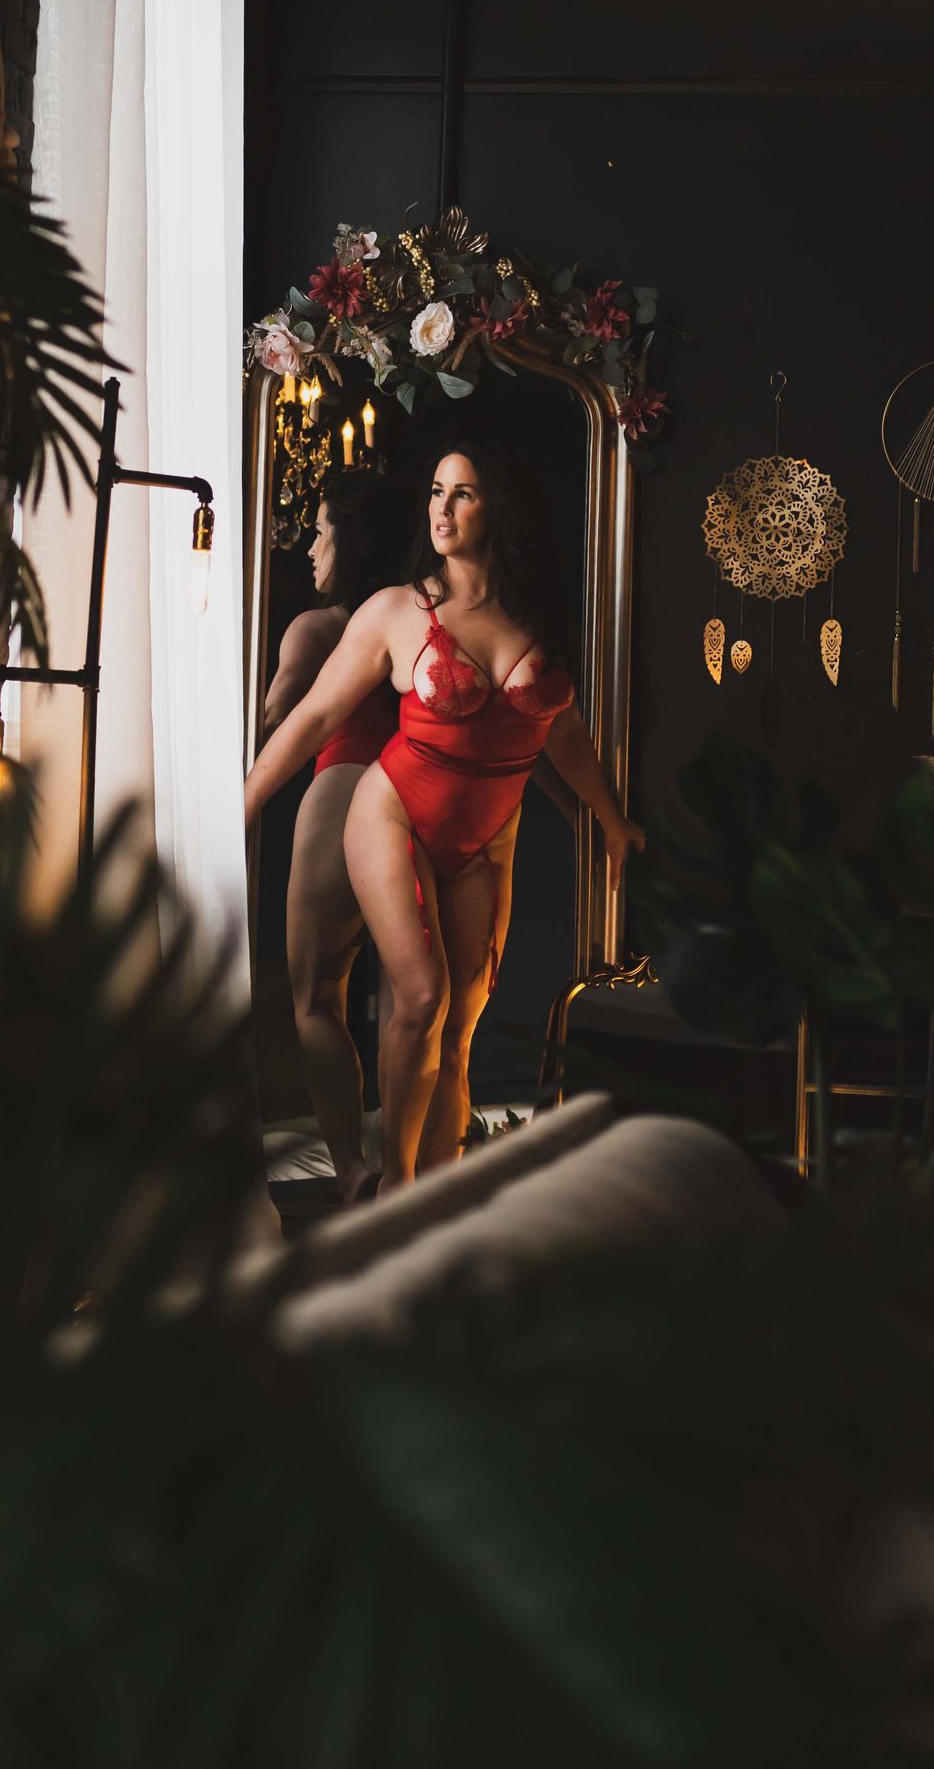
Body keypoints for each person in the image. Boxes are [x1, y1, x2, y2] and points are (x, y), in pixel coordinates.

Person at [245, 441, 642, 1193]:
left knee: (459, 1032)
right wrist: (245, 800)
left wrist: (609, 820)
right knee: (421, 995)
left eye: (462, 493)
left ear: (500, 509)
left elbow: (561, 732)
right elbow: (314, 715)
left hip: (487, 841)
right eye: (435, 491)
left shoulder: (539, 617)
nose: (441, 508)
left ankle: (440, 1195)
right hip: (390, 815)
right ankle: (391, 1191)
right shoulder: (397, 611)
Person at [259, 470, 407, 1207]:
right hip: (414, 792)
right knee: (412, 1004)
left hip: (346, 785)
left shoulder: (318, 629)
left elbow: (274, 720)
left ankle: (351, 1169)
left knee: (318, 997)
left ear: (351, 540)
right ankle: (410, 1165)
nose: (311, 548)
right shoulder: (415, 616)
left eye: (321, 532)